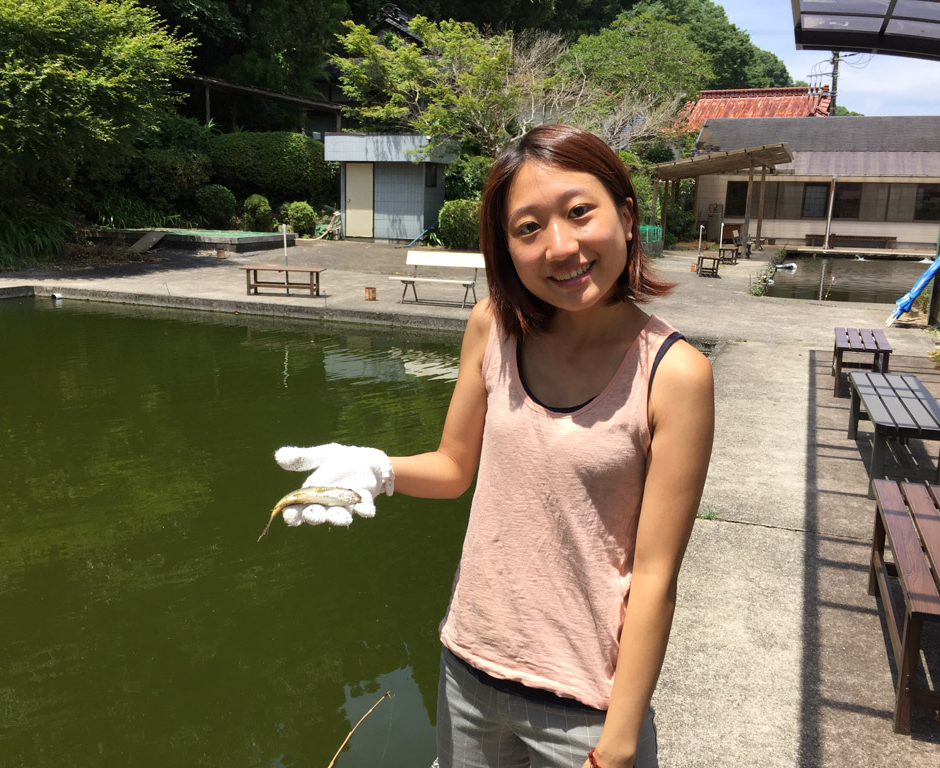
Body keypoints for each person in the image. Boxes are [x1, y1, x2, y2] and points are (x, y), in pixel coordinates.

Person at [275, 124, 715, 768]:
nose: (560, 246)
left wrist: (618, 745)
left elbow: (653, 576)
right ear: (505, 248)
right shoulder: (494, 326)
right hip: (469, 672)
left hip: (586, 703)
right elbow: (454, 468)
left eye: (578, 212)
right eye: (528, 228)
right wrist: (375, 469)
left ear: (625, 216)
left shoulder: (675, 374)